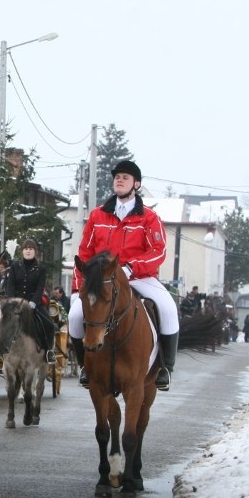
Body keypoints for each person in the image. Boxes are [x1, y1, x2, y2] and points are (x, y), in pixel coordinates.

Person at [68, 159, 179, 391]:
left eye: (125, 177)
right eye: (117, 176)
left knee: (168, 308)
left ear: (136, 184)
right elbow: (85, 251)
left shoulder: (149, 218)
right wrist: (82, 285)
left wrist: (132, 268)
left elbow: (159, 251)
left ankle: (165, 368)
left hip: (139, 276)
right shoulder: (98, 216)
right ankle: (85, 366)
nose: (119, 179)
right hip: (102, 280)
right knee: (75, 316)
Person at [5, 239, 58, 364]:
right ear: (22, 251)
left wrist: (32, 303)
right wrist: (13, 302)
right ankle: (0, 348)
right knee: (2, 322)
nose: (28, 251)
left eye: (31, 249)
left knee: (49, 325)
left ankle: (48, 351)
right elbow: (10, 286)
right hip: (16, 303)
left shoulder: (40, 268)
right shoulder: (15, 266)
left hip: (34, 304)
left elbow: (40, 288)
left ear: (35, 251)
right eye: (26, 249)